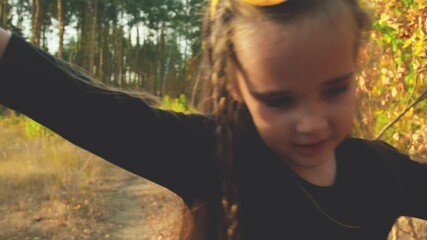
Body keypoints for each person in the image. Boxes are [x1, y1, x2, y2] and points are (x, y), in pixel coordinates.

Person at [0, 0, 426, 239]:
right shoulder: (213, 155)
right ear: (236, 85)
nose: (311, 123)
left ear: (357, 65)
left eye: (334, 89)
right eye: (278, 100)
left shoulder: (382, 172)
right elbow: (83, 106)